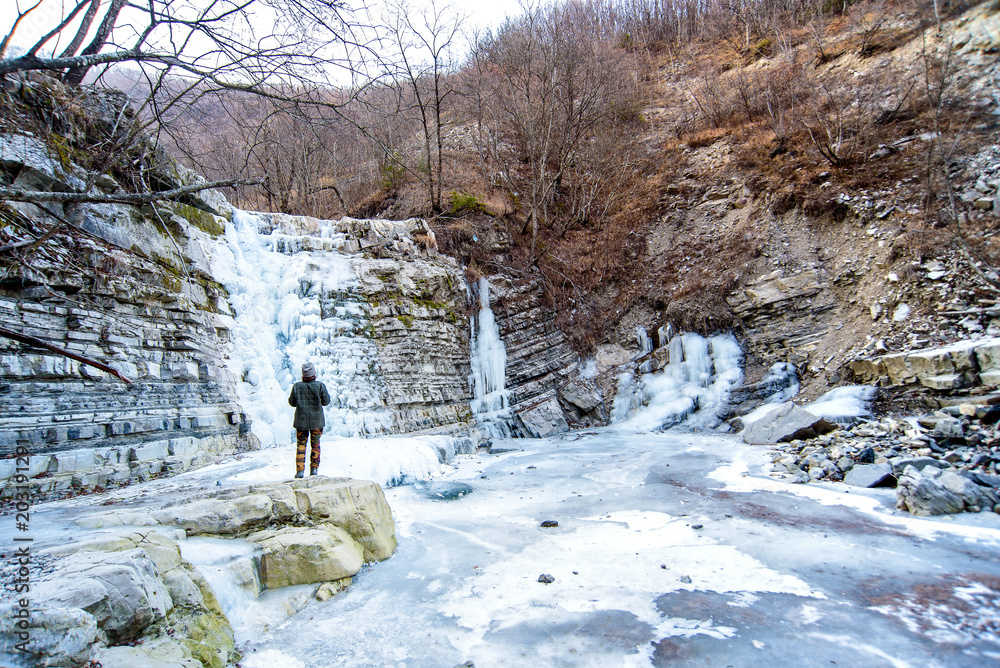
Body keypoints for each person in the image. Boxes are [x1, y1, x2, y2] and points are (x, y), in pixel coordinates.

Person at [288, 362, 331, 478]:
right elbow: (326, 402)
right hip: (317, 422)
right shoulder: (320, 386)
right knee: (315, 445)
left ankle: (300, 471)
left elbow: (292, 403)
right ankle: (314, 469)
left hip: (301, 422)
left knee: (301, 445)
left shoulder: (297, 386)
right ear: (314, 373)